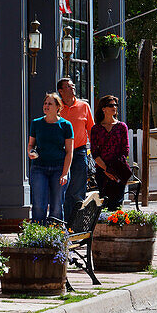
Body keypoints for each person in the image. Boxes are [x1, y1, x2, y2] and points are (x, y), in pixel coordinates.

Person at [27, 92, 74, 224]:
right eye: (45, 103)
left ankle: (56, 238)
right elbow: (31, 144)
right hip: (39, 168)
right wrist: (30, 152)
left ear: (58, 107)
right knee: (38, 205)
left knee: (57, 206)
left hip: (59, 168)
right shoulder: (36, 123)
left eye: (50, 104)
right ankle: (37, 239)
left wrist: (65, 173)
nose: (46, 106)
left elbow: (69, 152)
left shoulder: (66, 125)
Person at [57, 77, 94, 225]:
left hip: (79, 153)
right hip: (60, 154)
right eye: (69, 86)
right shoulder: (57, 107)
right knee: (63, 190)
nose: (73, 88)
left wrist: (95, 151)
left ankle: (77, 225)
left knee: (78, 190)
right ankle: (65, 225)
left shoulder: (84, 106)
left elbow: (91, 130)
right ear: (61, 91)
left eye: (73, 86)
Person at [89, 95, 131, 210]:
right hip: (102, 170)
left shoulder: (122, 127)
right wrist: (107, 169)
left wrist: (114, 170)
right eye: (111, 105)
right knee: (105, 204)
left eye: (115, 105)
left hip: (118, 169)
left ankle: (117, 227)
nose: (114, 107)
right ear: (103, 108)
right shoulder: (96, 129)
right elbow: (95, 153)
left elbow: (125, 150)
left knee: (117, 204)